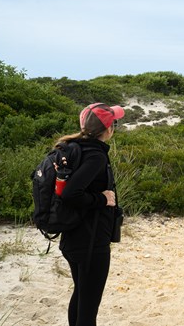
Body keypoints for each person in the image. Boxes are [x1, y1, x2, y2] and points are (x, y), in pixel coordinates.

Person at [56, 102, 125, 326]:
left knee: (81, 296)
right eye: (113, 123)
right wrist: (102, 199)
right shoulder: (95, 155)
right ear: (108, 129)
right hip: (90, 242)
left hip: (74, 237)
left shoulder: (75, 148)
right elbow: (70, 194)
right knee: (88, 308)